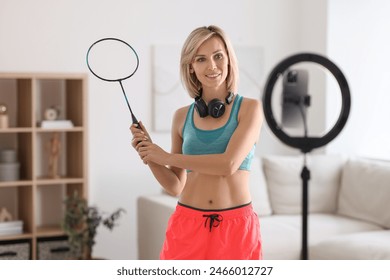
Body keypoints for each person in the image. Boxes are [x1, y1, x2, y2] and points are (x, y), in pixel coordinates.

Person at [130, 25, 263, 260]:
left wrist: (166, 157)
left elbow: (228, 164)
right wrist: (150, 154)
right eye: (201, 59)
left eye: (218, 56)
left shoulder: (250, 108)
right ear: (191, 67)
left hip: (235, 228)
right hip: (186, 224)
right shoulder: (181, 117)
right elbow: (175, 186)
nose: (212, 66)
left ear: (229, 60)